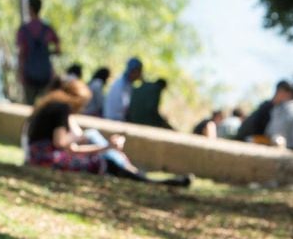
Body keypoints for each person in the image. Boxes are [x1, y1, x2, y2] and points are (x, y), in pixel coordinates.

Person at [24, 78, 190, 187]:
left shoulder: (53, 105)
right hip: (44, 158)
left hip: (37, 156)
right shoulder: (61, 108)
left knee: (97, 146)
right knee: (103, 161)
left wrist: (105, 147)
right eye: (83, 104)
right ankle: (145, 178)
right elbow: (62, 144)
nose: (82, 108)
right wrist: (103, 146)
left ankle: (137, 173)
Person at [16, 0, 61, 105]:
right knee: (44, 109)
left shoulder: (24, 30)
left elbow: (21, 53)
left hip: (29, 76)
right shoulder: (47, 29)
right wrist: (46, 53)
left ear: (30, 8)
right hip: (46, 76)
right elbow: (58, 50)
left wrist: (20, 73)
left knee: (28, 108)